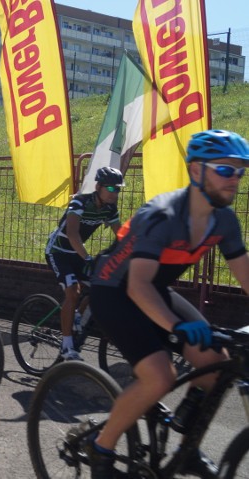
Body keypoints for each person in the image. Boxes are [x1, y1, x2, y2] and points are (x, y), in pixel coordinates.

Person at [85, 130, 249, 479]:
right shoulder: (162, 215)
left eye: (240, 171)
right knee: (159, 377)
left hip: (152, 288)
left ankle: (186, 448)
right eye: (224, 169)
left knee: (216, 363)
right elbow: (137, 284)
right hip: (112, 291)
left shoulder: (224, 221)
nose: (234, 179)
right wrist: (175, 327)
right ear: (195, 171)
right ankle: (101, 449)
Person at [45, 166, 124, 361]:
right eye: (111, 188)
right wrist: (87, 258)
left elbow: (122, 236)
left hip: (77, 253)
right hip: (59, 251)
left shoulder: (109, 208)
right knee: (73, 291)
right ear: (98, 186)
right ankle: (67, 346)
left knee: (100, 286)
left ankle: (77, 315)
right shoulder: (80, 202)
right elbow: (72, 233)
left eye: (118, 189)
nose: (115, 193)